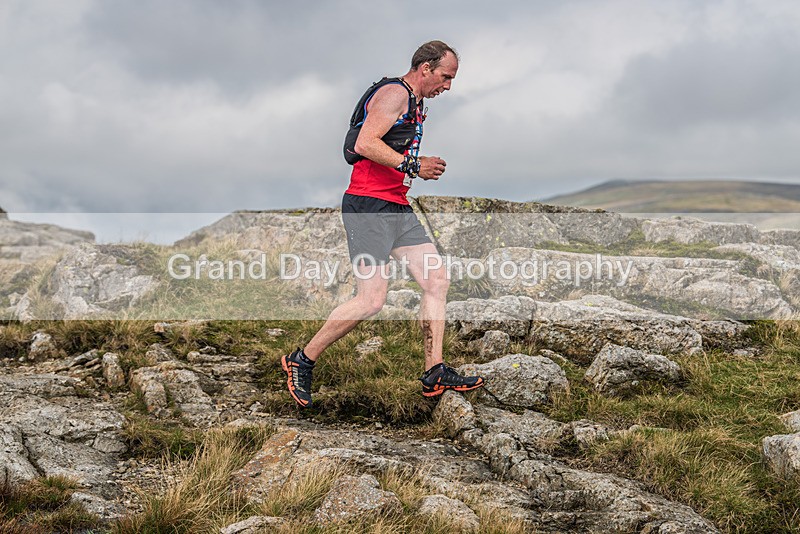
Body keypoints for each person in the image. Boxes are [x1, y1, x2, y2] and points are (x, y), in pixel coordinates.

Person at [281, 40, 485, 408]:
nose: (448, 86)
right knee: (371, 301)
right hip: (368, 205)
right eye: (445, 77)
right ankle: (302, 359)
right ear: (425, 68)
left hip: (395, 205)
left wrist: (412, 165)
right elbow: (364, 143)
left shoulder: (416, 102)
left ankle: (434, 371)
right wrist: (414, 165)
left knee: (436, 280)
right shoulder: (395, 93)